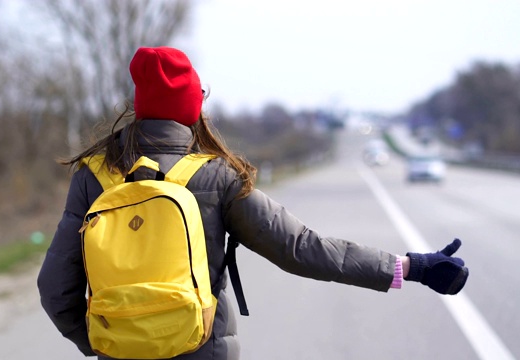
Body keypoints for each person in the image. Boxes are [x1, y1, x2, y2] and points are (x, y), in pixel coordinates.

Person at [37, 46, 469, 359]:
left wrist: (101, 341)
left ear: (140, 109)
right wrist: (410, 267)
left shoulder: (93, 175)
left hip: (121, 352)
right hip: (201, 350)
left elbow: (55, 287)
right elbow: (302, 249)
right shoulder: (216, 176)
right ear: (193, 109)